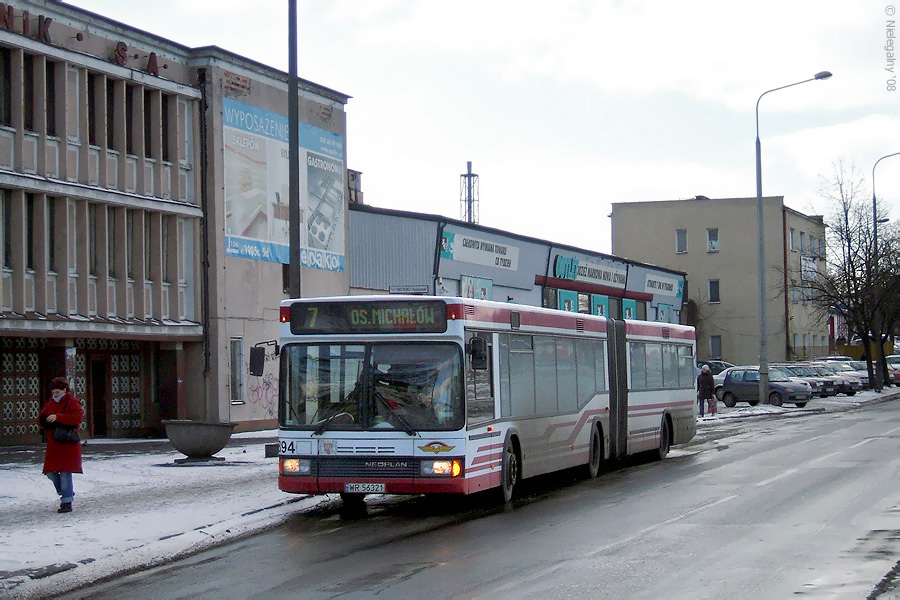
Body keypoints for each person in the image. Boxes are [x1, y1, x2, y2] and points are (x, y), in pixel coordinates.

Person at [38, 377, 84, 513]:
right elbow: (41, 418)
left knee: (65, 472)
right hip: (54, 443)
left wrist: (58, 417)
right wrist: (45, 421)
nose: (55, 395)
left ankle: (66, 501)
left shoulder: (72, 402)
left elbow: (77, 418)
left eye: (57, 392)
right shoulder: (50, 403)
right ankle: (65, 492)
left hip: (67, 443)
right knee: (50, 472)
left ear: (64, 390)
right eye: (53, 392)